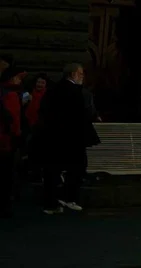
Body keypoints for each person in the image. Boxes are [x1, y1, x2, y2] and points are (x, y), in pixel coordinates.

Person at [40, 63, 97, 214]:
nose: (82, 77)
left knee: (53, 169)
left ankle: (51, 202)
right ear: (73, 74)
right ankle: (69, 197)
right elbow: (80, 116)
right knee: (77, 167)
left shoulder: (54, 90)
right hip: (72, 138)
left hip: (54, 136)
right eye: (80, 74)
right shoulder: (75, 92)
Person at [1, 65, 25, 218]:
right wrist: (17, 135)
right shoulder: (12, 95)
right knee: (6, 175)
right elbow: (13, 119)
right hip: (6, 140)